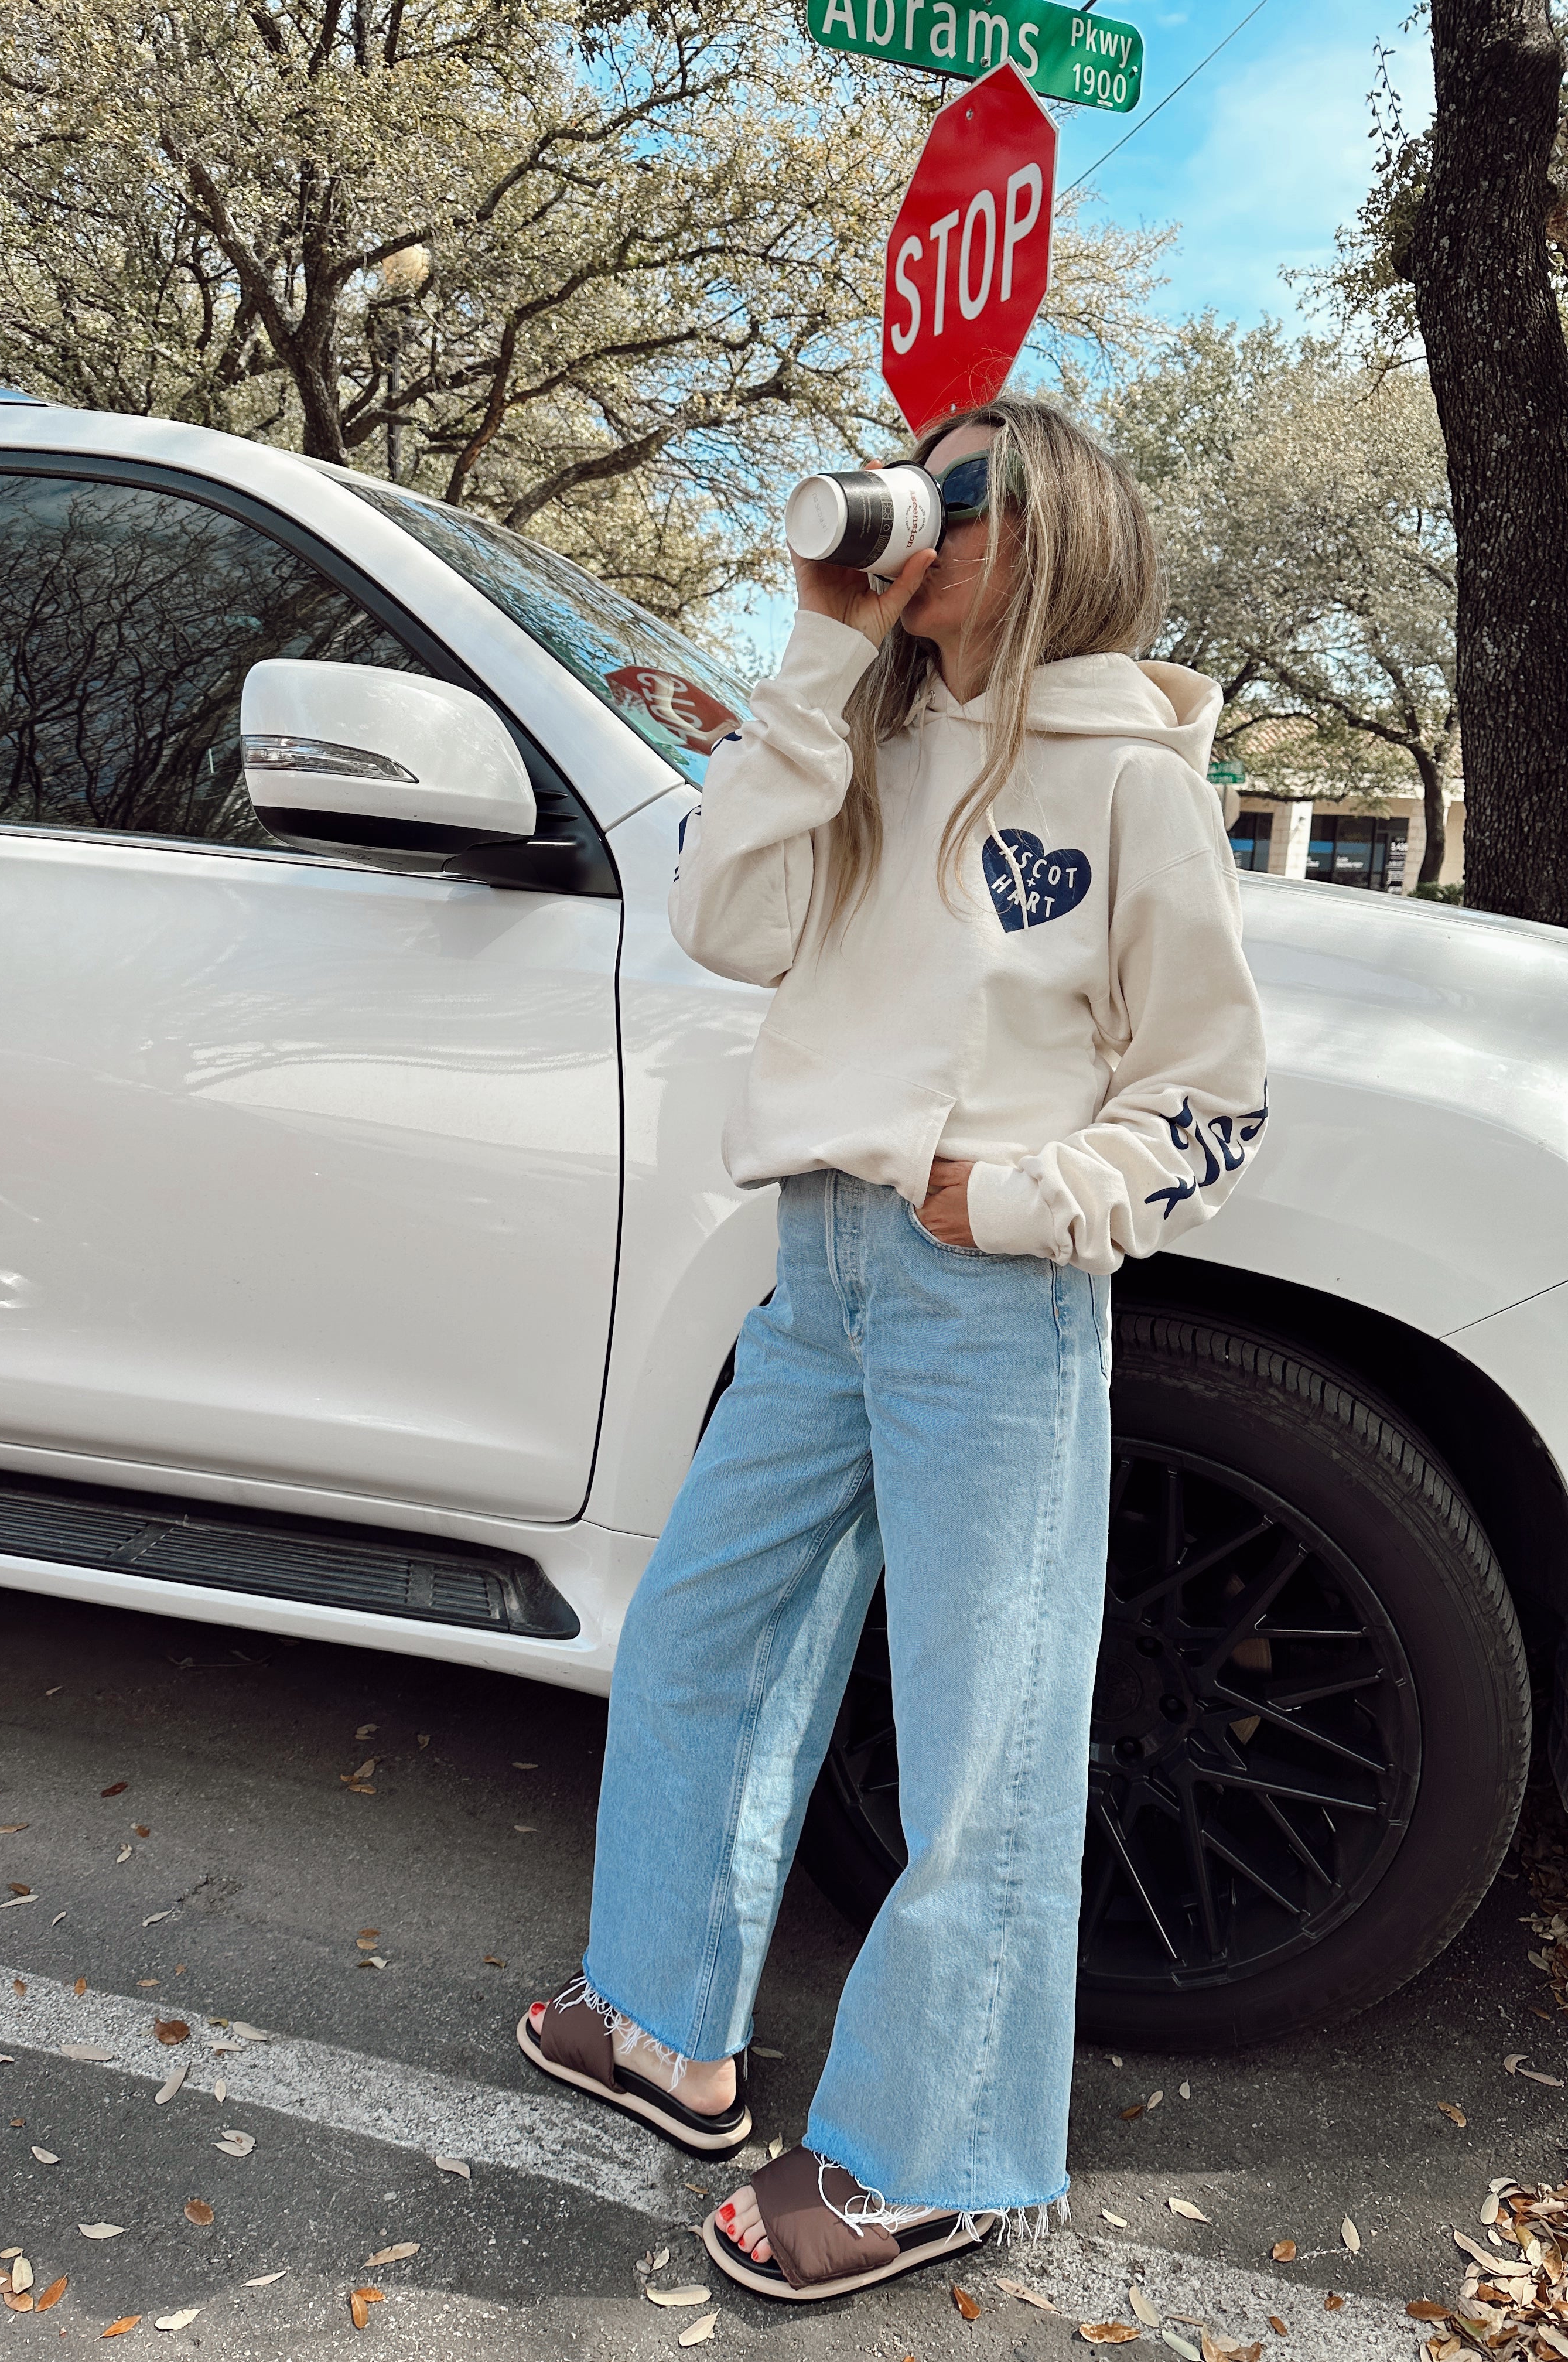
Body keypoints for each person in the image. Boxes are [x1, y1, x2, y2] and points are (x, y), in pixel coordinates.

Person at [517, 396, 1268, 2302]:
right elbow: (724, 917)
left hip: (984, 1294)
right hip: (822, 1267)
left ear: (1058, 529)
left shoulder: (1133, 778)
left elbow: (1213, 1095)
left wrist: (1019, 1198)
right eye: (907, 485)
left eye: (959, 496)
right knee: (701, 1634)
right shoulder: (864, 730)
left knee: (980, 1738)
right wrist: (822, 648)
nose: (915, 518)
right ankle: (666, 2028)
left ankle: (933, 2155)